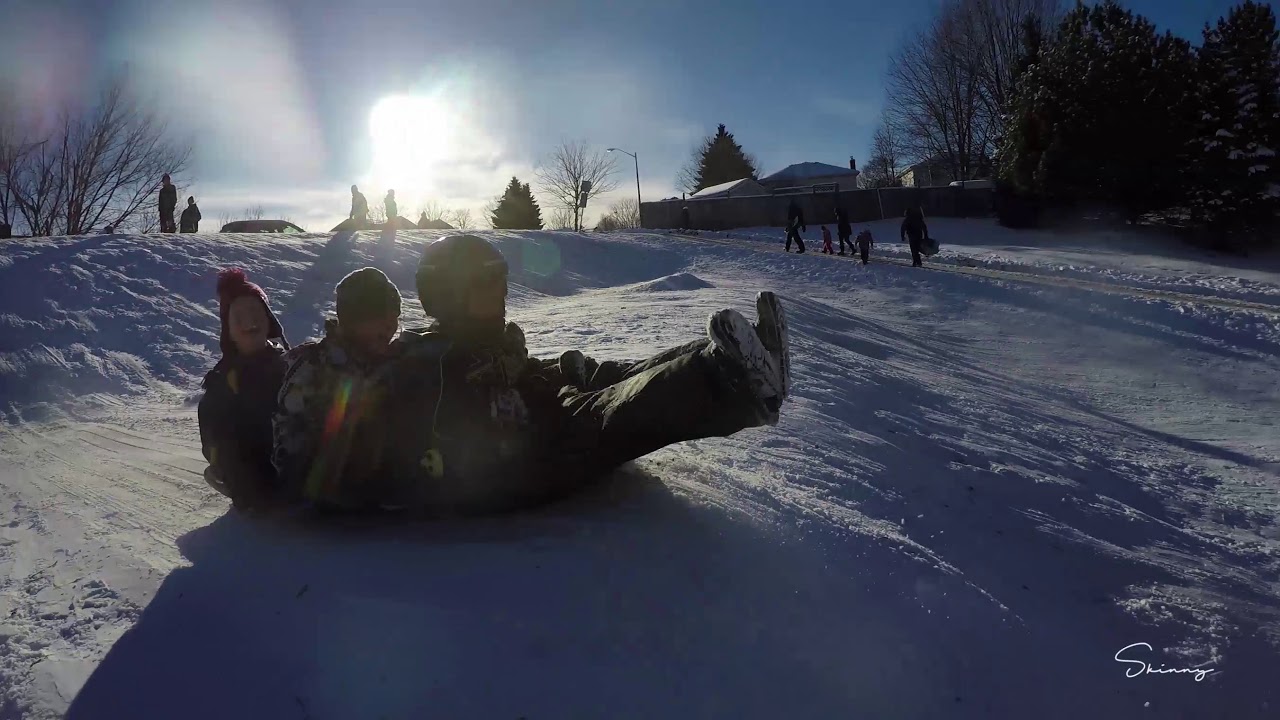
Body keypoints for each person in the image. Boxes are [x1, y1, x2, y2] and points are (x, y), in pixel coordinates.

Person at [291, 234, 793, 516]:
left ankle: (736, 357)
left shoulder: (475, 339)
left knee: (596, 372)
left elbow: (510, 374)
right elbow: (403, 429)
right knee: (605, 418)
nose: (501, 295)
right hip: (512, 469)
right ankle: (730, 381)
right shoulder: (426, 360)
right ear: (448, 296)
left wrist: (543, 375)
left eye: (500, 284)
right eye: (486, 287)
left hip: (523, 432)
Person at [271, 267, 405, 506]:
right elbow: (287, 423)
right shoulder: (315, 363)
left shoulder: (391, 362)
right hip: (315, 472)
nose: (389, 325)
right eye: (379, 316)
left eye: (394, 316)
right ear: (352, 320)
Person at [199, 268, 291, 511]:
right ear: (228, 331)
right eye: (239, 317)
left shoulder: (290, 364)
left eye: (255, 313)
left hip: (291, 455)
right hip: (250, 460)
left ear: (269, 320)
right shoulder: (224, 378)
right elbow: (212, 431)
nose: (249, 322)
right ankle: (234, 483)